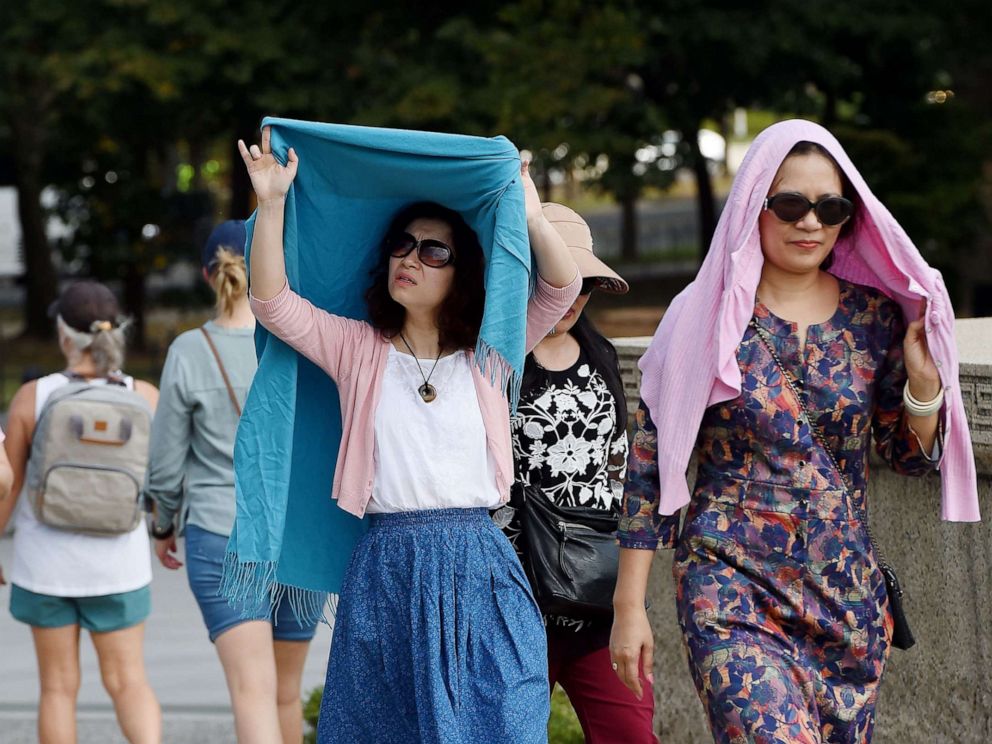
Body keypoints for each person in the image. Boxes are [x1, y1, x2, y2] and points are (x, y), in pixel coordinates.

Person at [611, 119, 979, 743]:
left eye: (830, 207)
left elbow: (908, 457)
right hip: (730, 591)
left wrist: (922, 386)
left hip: (847, 601)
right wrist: (628, 608)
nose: (810, 222)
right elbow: (648, 467)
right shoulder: (700, 317)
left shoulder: (876, 319)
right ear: (755, 204)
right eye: (790, 203)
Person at [237, 126, 579, 743]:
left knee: (505, 721)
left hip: (481, 560)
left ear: (462, 271)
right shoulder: (358, 350)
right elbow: (273, 302)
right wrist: (272, 203)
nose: (410, 258)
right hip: (388, 565)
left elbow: (562, 287)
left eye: (433, 251)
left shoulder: (491, 353)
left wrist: (526, 209)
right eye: (401, 245)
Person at [143, 221, 316, 744]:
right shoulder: (302, 340)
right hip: (298, 536)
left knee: (251, 692)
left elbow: (167, 460)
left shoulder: (189, 351)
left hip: (222, 533)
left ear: (205, 274)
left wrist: (164, 523)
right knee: (286, 692)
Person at [496, 203, 658, 743]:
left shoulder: (603, 354)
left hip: (596, 596)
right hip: (515, 598)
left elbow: (627, 476)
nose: (571, 294)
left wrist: (632, 603)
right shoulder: (494, 359)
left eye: (583, 281)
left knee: (631, 734)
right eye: (556, 276)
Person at [0, 280, 162, 744]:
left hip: (45, 566)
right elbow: (161, 481)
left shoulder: (33, 397)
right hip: (119, 567)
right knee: (128, 682)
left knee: (57, 688)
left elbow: (7, 486)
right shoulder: (145, 396)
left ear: (64, 335)